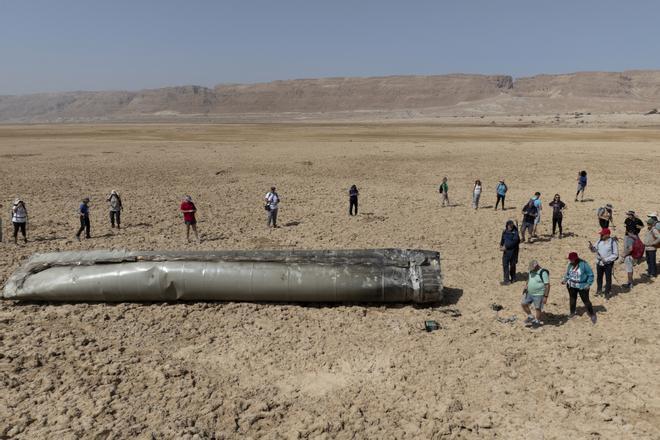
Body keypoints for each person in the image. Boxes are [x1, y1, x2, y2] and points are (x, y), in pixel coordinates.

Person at [561, 252, 597, 324]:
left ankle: (592, 314)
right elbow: (568, 274)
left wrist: (588, 284)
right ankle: (572, 312)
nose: (570, 261)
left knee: (586, 301)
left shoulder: (584, 265)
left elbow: (591, 275)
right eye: (570, 259)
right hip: (571, 285)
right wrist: (565, 279)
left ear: (576, 259)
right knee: (572, 299)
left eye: (572, 260)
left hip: (582, 286)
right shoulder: (570, 265)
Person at [589, 228, 618, 296]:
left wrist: (606, 259)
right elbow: (594, 250)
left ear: (607, 235)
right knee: (599, 277)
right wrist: (591, 248)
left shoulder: (612, 242)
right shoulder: (599, 241)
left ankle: (607, 292)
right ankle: (599, 290)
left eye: (603, 234)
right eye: (601, 234)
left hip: (608, 264)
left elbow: (615, 255)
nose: (601, 235)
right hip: (599, 263)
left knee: (608, 278)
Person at [521, 260, 550, 327]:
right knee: (524, 304)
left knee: (537, 308)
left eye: (532, 268)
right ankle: (530, 316)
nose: (531, 269)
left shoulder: (543, 272)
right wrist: (526, 287)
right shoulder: (531, 271)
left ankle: (537, 321)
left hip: (539, 294)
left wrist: (545, 296)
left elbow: (547, 285)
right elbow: (529, 279)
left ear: (536, 266)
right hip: (530, 292)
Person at [500, 220, 520, 285]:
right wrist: (501, 245)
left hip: (513, 253)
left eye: (511, 226)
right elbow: (502, 239)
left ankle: (513, 278)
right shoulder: (505, 232)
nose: (510, 227)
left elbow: (515, 242)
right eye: (509, 226)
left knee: (512, 266)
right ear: (507, 226)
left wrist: (506, 247)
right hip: (506, 253)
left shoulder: (515, 233)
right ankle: (506, 280)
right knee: (505, 266)